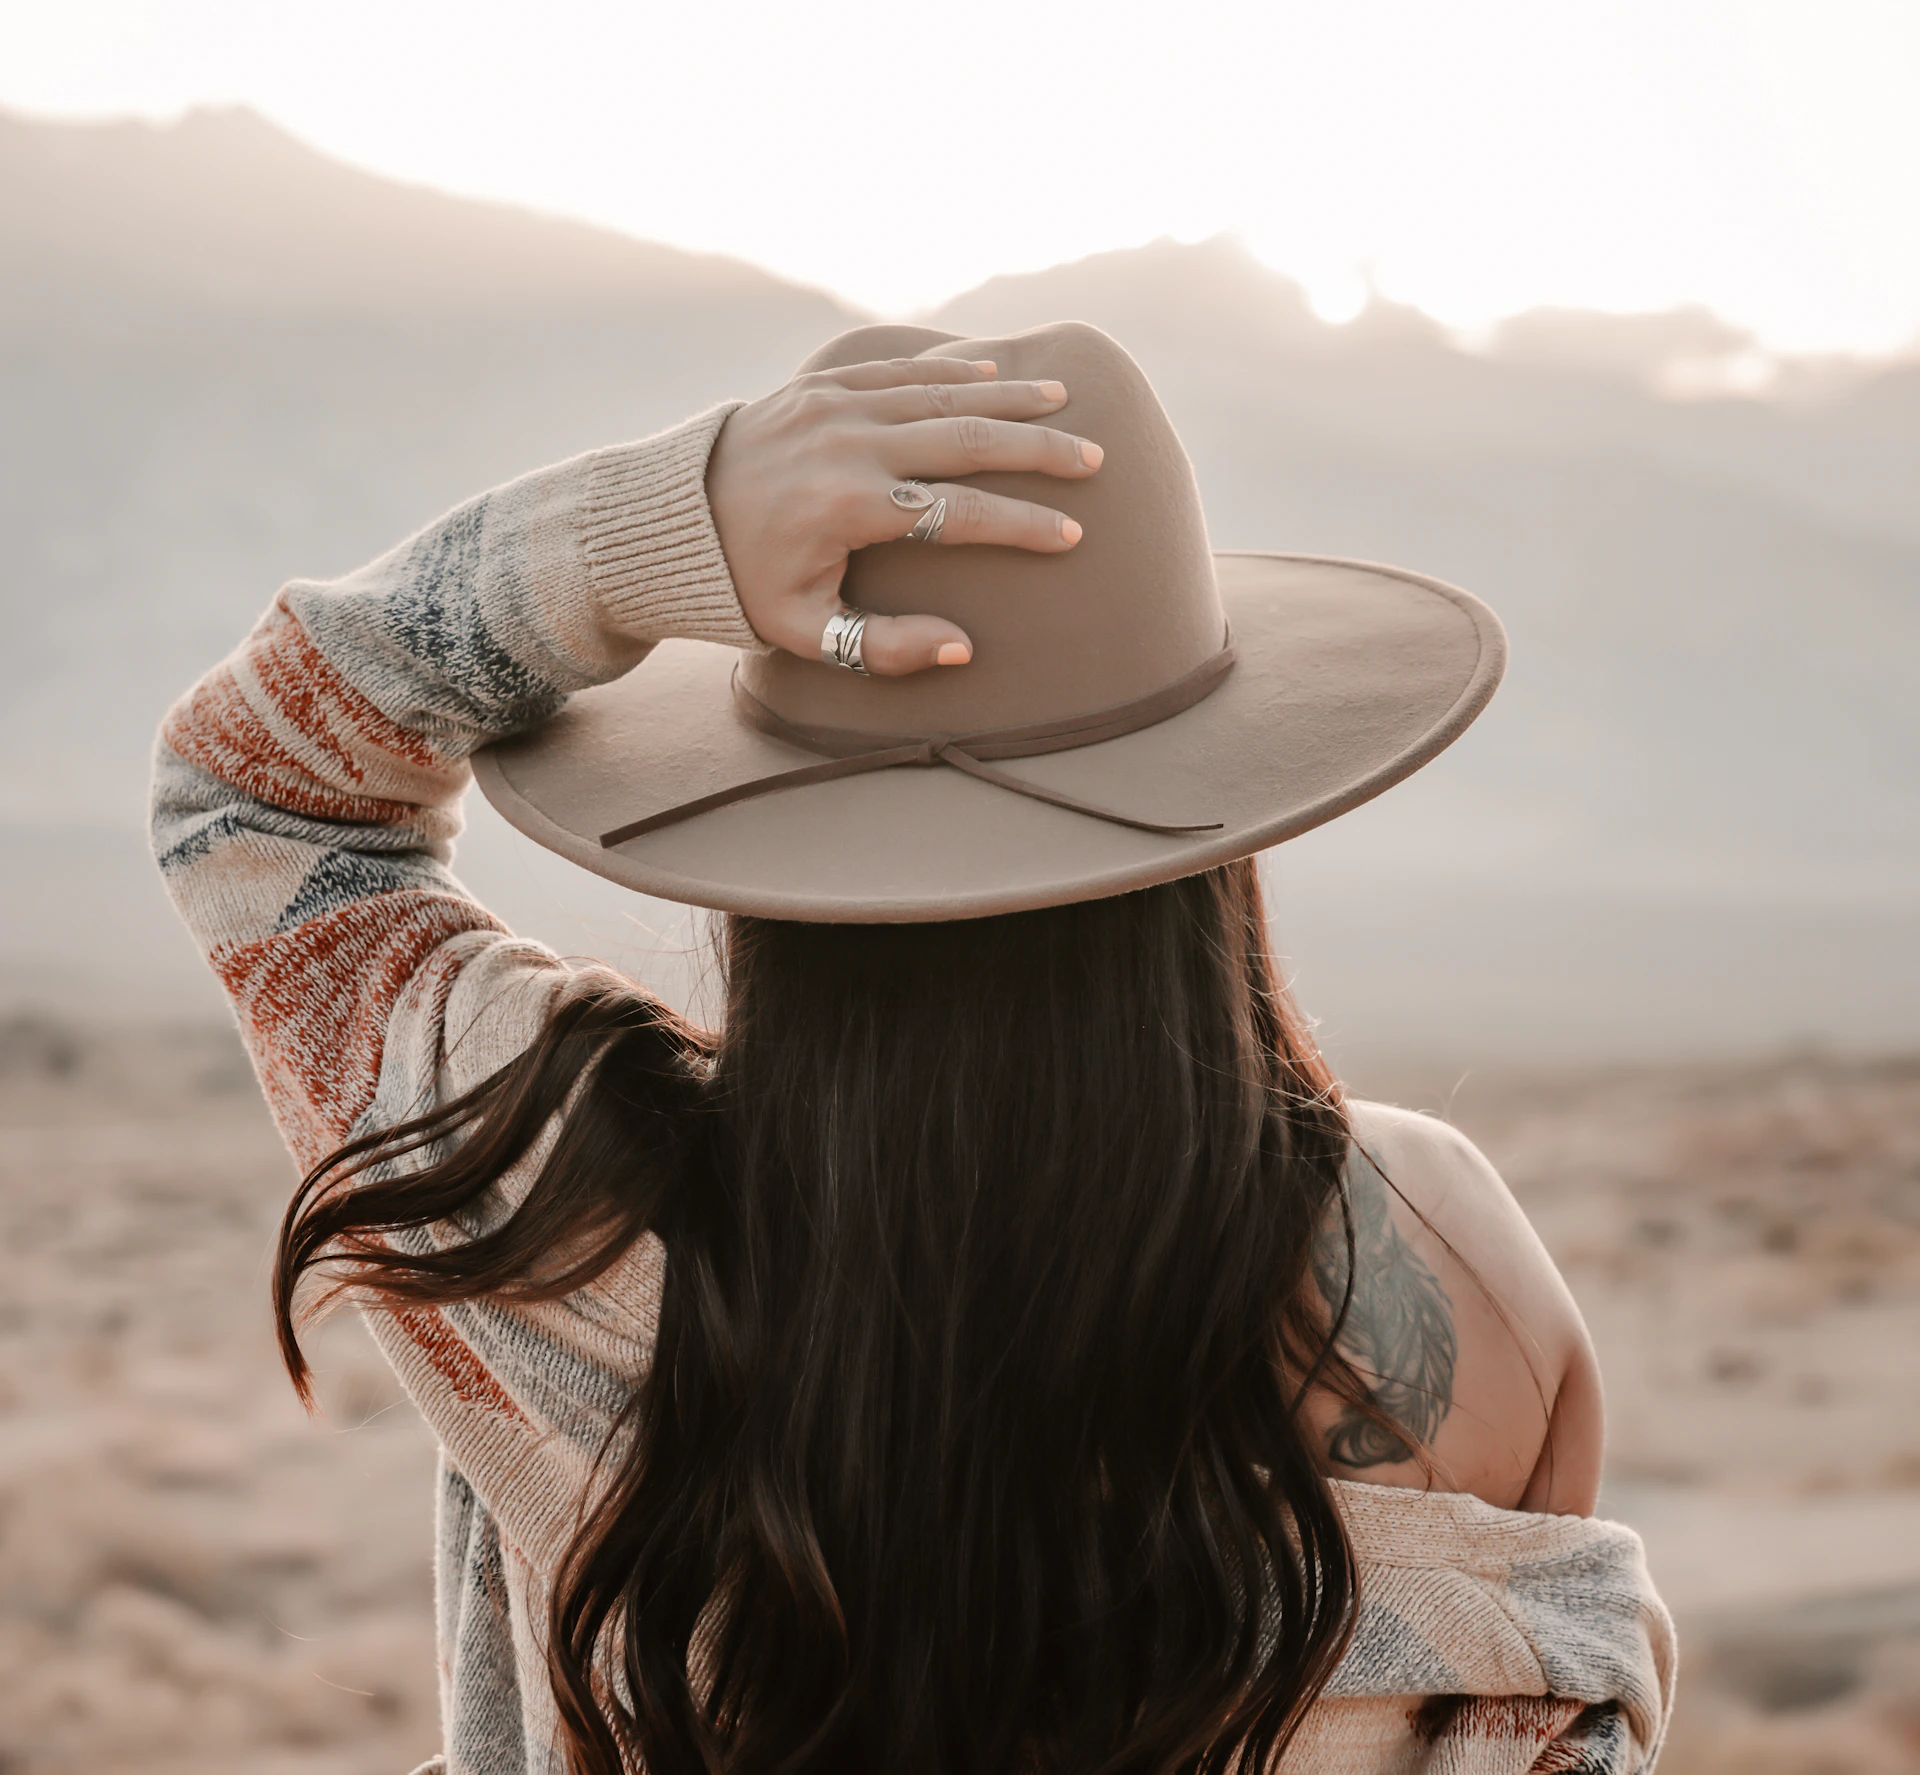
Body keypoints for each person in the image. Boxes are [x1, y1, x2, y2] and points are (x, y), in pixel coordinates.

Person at [153, 321, 1673, 1775]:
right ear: (1218, 814)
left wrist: (662, 529)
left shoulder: (562, 1206)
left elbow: (257, 793)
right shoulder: (1445, 1255)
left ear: (773, 824)